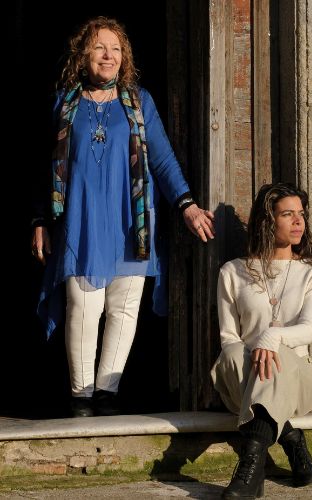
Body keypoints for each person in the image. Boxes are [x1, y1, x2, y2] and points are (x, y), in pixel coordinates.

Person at [31, 16, 214, 418]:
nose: (108, 55)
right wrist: (40, 220)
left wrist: (186, 204)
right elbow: (43, 167)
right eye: (99, 47)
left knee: (124, 310)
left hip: (132, 222)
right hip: (81, 221)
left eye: (115, 48)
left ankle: (107, 395)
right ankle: (80, 398)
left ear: (124, 56)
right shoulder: (64, 102)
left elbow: (163, 160)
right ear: (83, 56)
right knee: (83, 308)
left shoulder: (138, 100)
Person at [211, 183, 312, 498]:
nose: (298, 222)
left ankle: (250, 472)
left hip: (297, 378)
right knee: (236, 352)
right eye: (288, 214)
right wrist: (260, 348)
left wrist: (272, 336)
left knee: (277, 356)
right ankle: (291, 440)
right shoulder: (232, 272)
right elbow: (228, 339)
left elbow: (306, 330)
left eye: (301, 214)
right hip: (241, 379)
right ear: (268, 221)